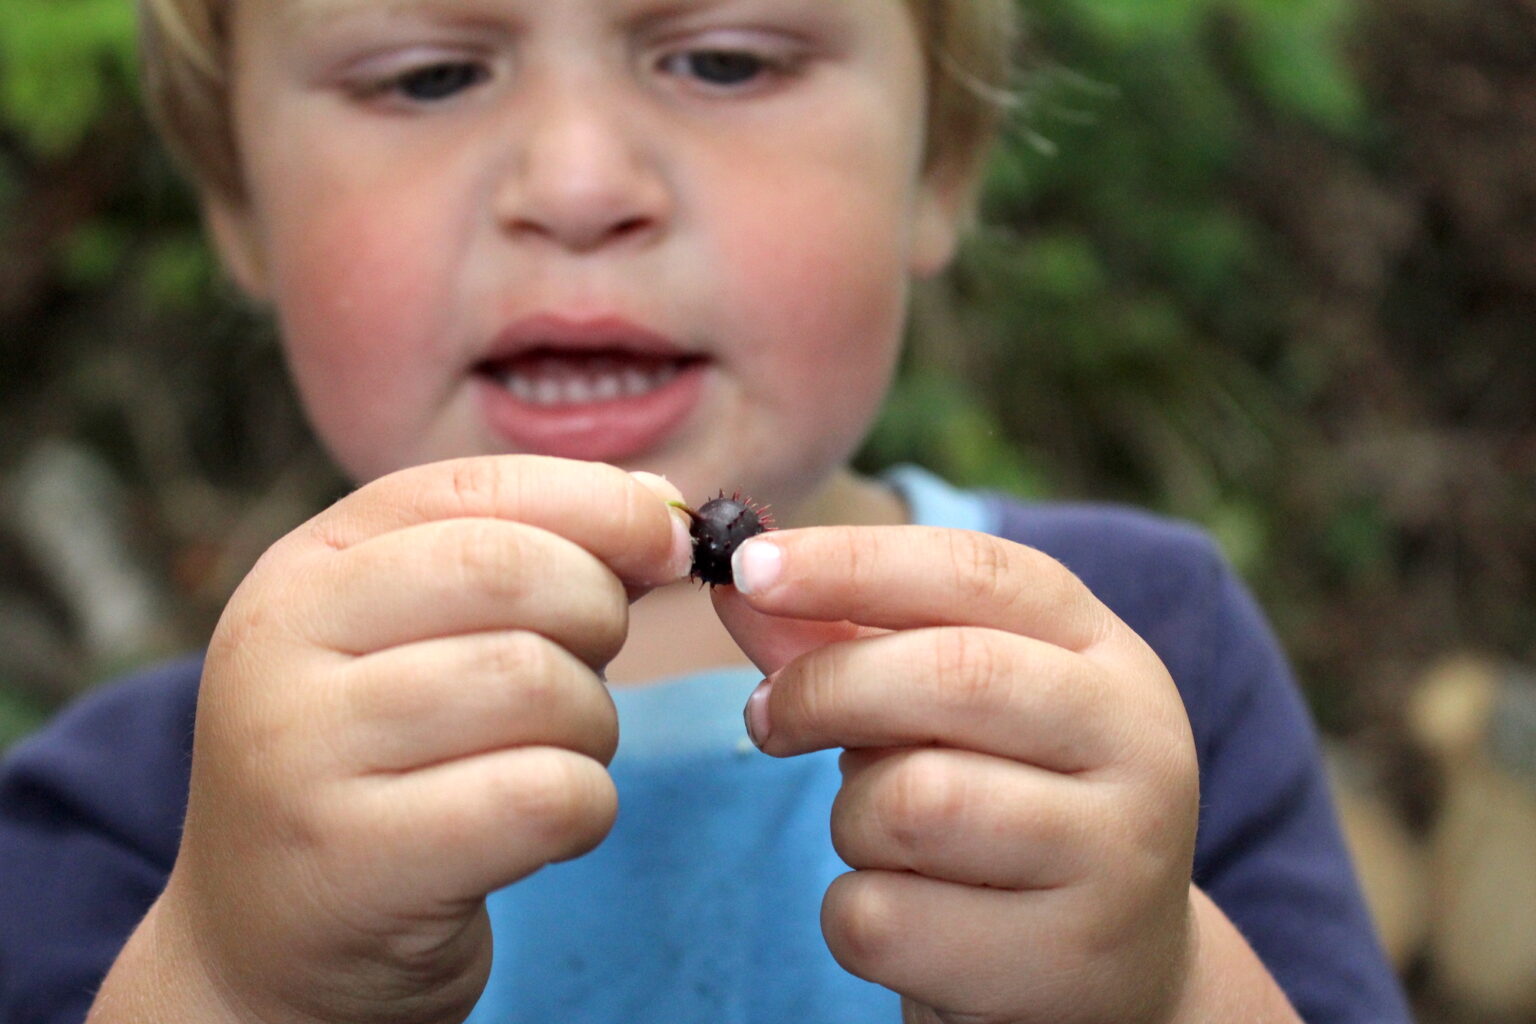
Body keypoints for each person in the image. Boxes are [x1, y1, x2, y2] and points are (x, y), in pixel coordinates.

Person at [0, 0, 1412, 1021]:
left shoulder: (1142, 663)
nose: (578, 187)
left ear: (943, 164)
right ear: (236, 206)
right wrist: (235, 981)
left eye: (725, 58)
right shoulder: (138, 817)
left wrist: (1156, 988)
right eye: (429, 75)